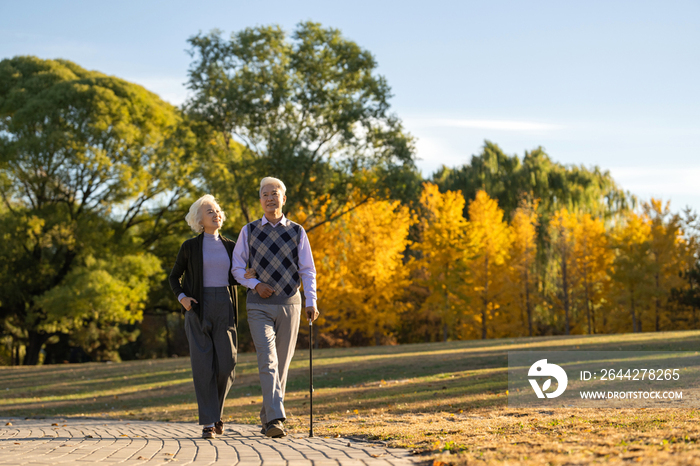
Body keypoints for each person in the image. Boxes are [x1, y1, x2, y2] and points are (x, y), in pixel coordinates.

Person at [232, 177, 320, 438]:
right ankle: (276, 421)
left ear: (284, 198)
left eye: (275, 193)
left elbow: (308, 270)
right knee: (267, 360)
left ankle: (268, 417)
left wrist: (311, 301)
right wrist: (256, 285)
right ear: (260, 200)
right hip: (258, 305)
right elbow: (237, 268)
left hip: (290, 305)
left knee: (281, 365)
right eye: (265, 194)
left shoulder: (297, 231)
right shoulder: (248, 231)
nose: (270, 198)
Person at [169, 194, 241, 439]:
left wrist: (248, 273)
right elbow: (173, 277)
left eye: (218, 210)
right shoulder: (189, 246)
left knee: (227, 364)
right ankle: (209, 422)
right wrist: (183, 299)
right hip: (198, 308)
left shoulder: (232, 245)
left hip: (226, 306)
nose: (216, 214)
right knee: (203, 368)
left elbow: (238, 276)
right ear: (199, 219)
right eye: (210, 211)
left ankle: (216, 412)